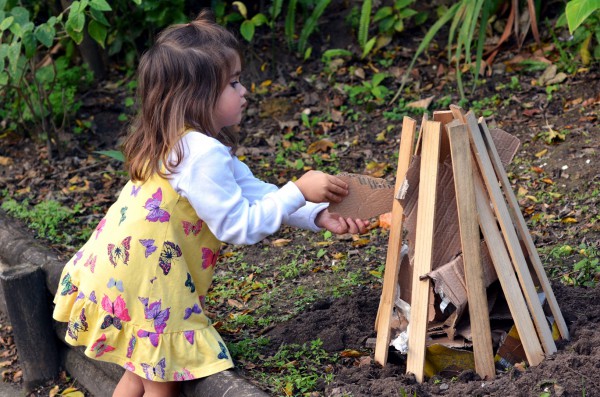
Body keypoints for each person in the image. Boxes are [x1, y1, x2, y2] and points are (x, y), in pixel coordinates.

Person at [52, 10, 369, 397]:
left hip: (122, 273)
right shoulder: (202, 154)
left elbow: (252, 192)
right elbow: (238, 225)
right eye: (233, 83)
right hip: (148, 284)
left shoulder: (181, 139)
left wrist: (317, 214)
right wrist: (299, 190)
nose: (244, 90)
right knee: (161, 384)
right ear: (195, 95)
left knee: (137, 372)